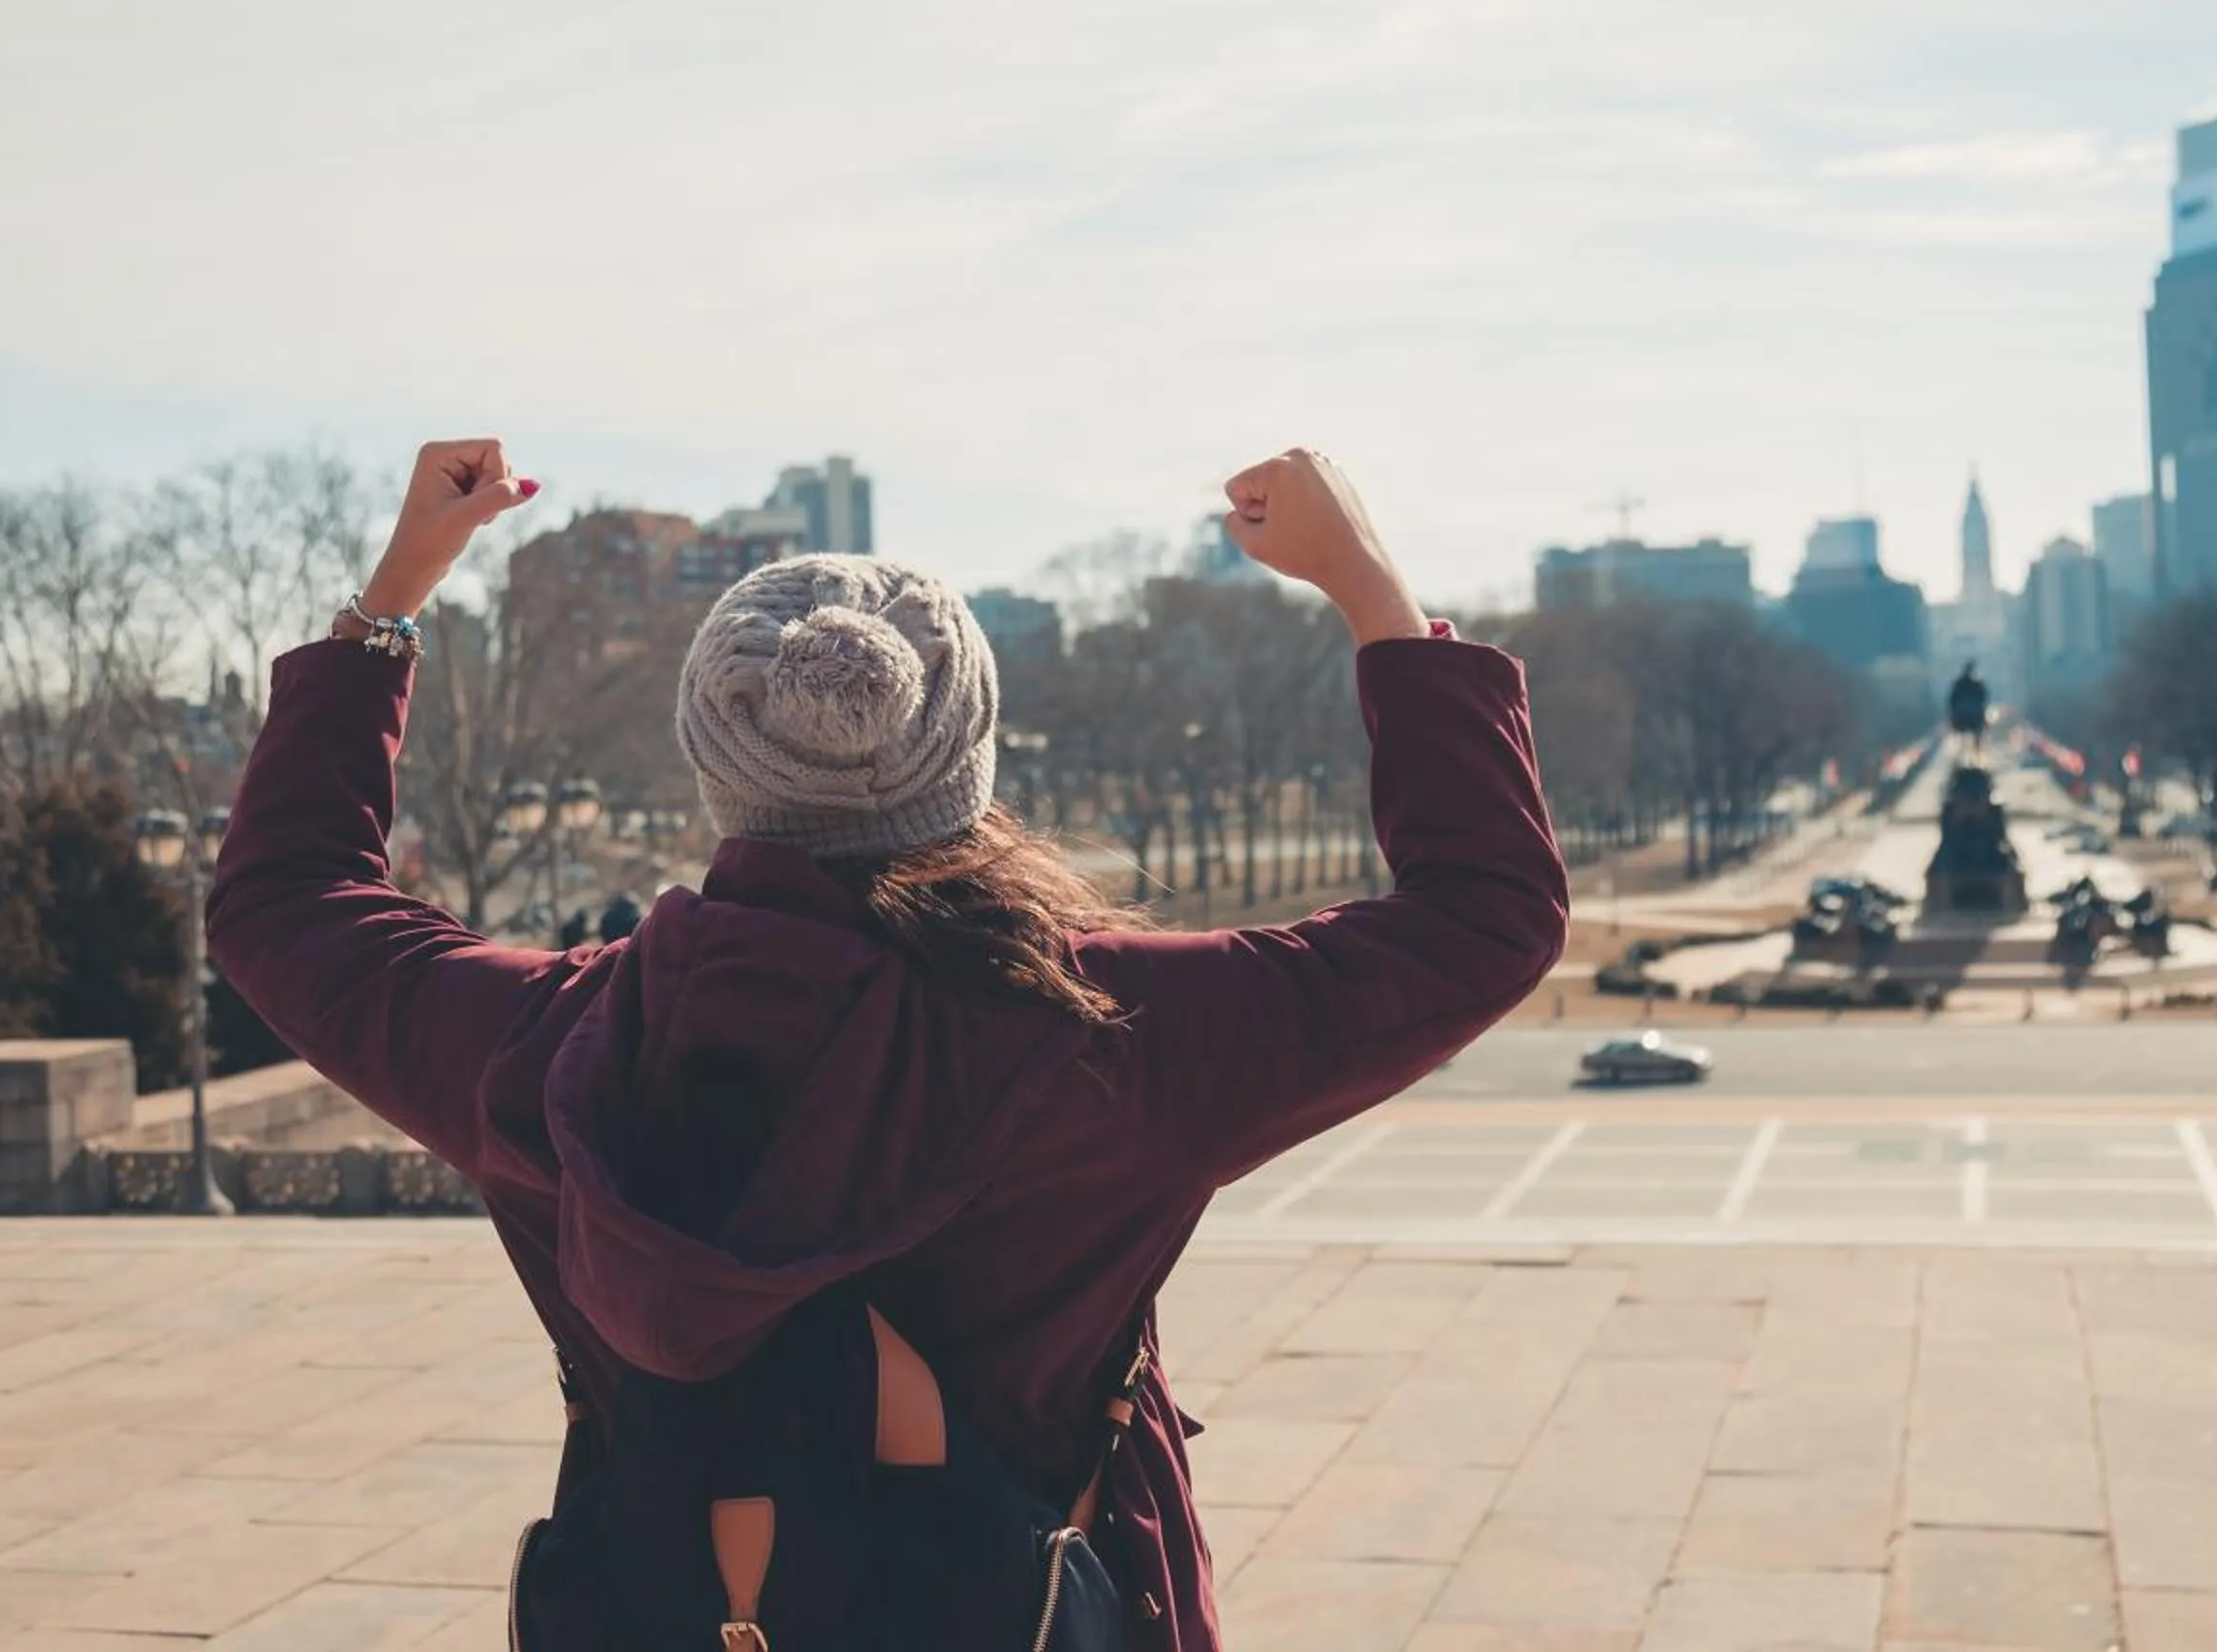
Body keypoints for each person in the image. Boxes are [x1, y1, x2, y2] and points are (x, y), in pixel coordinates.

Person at [205, 438, 1568, 1649]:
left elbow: (285, 905)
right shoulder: (1110, 1036)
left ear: (715, 764)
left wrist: (390, 603)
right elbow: (1482, 917)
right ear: (969, 752)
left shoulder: (553, 1045)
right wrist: (1375, 591)